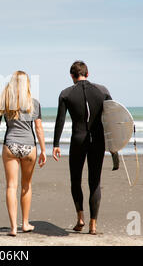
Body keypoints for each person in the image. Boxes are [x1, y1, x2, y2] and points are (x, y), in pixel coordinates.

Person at [52, 61, 115, 235]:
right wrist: (114, 144)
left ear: (72, 76)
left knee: (75, 180)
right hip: (98, 140)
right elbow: (111, 118)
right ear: (87, 73)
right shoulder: (103, 91)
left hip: (78, 140)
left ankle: (80, 218)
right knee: (95, 182)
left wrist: (56, 144)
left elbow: (60, 120)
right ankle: (93, 224)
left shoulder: (65, 94)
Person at [0, 70, 47, 236]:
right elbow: (39, 128)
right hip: (29, 147)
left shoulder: (3, 102)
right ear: (27, 84)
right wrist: (43, 150)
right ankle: (25, 223)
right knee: (26, 185)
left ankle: (13, 227)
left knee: (11, 186)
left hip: (10, 146)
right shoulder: (34, 103)